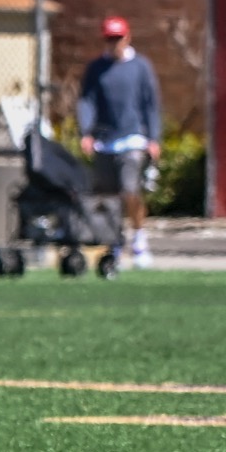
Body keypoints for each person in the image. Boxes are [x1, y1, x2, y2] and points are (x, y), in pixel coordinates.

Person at [77, 15, 162, 269]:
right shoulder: (96, 69)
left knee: (129, 190)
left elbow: (151, 104)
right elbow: (87, 101)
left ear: (128, 37)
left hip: (133, 139)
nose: (114, 43)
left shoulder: (141, 67)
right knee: (107, 196)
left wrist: (153, 137)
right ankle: (113, 244)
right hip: (106, 141)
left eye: (118, 38)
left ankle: (139, 239)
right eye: (110, 39)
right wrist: (87, 132)